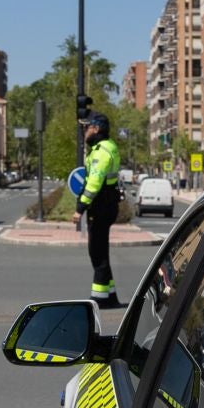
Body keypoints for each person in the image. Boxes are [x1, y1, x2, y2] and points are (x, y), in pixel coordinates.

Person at [72, 112, 123, 310]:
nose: (84, 132)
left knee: (97, 252)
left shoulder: (101, 151)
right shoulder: (107, 147)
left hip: (101, 206)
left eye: (87, 128)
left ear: (96, 129)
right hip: (107, 204)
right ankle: (109, 296)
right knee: (102, 252)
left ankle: (100, 299)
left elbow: (93, 184)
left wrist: (80, 208)